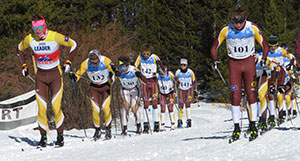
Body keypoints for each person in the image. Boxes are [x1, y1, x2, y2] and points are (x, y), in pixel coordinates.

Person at [210, 5, 269, 141]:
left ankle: (253, 125)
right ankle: (236, 128)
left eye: (240, 21)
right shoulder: (226, 29)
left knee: (251, 95)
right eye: (235, 21)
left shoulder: (252, 27)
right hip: (234, 64)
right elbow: (214, 46)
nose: (237, 24)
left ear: (245, 19)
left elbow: (265, 45)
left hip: (249, 63)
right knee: (235, 96)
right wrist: (215, 60)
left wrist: (264, 59)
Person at [17, 15, 77, 147]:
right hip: (41, 77)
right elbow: (19, 48)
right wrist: (24, 66)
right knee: (41, 109)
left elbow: (74, 45)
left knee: (56, 108)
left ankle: (60, 136)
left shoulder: (55, 36)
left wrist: (68, 62)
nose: (37, 31)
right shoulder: (30, 38)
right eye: (34, 28)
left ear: (44, 26)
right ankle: (43, 138)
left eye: (39, 27)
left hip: (55, 75)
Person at [70, 49, 115, 140]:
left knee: (105, 108)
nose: (95, 64)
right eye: (93, 63)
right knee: (95, 109)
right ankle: (97, 130)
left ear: (99, 58)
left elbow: (115, 71)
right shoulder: (85, 63)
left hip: (106, 85)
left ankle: (108, 129)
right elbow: (79, 74)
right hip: (94, 87)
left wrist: (112, 77)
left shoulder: (105, 60)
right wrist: (74, 77)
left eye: (96, 62)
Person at [134, 43, 162, 133]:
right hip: (144, 82)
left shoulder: (154, 57)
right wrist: (138, 73)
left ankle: (157, 124)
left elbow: (162, 68)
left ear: (150, 53)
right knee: (146, 103)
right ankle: (146, 125)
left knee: (154, 103)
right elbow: (135, 67)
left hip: (153, 81)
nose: (146, 56)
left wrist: (159, 65)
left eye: (147, 54)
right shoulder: (140, 57)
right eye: (144, 54)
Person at [117, 55, 143, 135]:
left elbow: (142, 78)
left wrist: (140, 75)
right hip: (125, 89)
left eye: (125, 67)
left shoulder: (133, 69)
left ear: (128, 65)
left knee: (134, 108)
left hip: (135, 89)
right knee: (125, 108)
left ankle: (138, 126)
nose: (123, 69)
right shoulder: (119, 71)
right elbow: (112, 78)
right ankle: (124, 128)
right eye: (121, 67)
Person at [175, 58, 197, 128]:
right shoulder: (178, 72)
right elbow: (175, 80)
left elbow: (194, 81)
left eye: (184, 65)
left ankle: (189, 120)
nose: (183, 66)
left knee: (188, 104)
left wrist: (195, 90)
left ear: (186, 65)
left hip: (188, 90)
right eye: (181, 65)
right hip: (180, 90)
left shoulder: (190, 72)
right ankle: (180, 120)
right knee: (180, 105)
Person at [156, 64, 176, 131]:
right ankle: (162, 125)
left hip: (170, 93)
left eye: (163, 71)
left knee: (170, 108)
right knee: (162, 108)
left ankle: (173, 124)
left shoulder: (170, 74)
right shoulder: (157, 75)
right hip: (162, 93)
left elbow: (175, 81)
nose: (162, 73)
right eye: (160, 71)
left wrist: (174, 91)